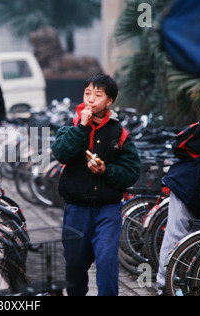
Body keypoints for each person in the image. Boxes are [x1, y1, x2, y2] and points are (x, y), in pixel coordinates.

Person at [51, 73, 142, 296]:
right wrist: (82, 128)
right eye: (87, 93)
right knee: (74, 265)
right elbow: (61, 153)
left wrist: (106, 171)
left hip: (108, 208)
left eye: (97, 95)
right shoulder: (71, 126)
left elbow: (131, 171)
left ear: (109, 101)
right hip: (77, 208)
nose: (90, 99)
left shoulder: (118, 133)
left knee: (107, 260)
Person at [156, 130, 200, 296]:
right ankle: (163, 286)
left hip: (196, 189)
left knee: (188, 236)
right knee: (175, 235)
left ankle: (181, 281)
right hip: (186, 186)